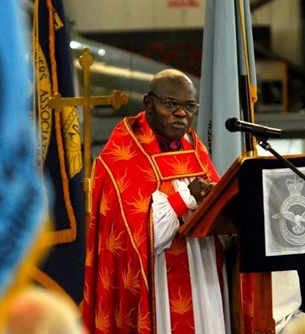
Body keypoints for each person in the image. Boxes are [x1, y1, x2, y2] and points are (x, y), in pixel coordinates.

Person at [83, 69, 231, 333]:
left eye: (189, 106)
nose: (181, 113)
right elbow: (138, 239)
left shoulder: (195, 149)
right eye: (171, 104)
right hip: (158, 283)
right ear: (148, 104)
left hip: (205, 276)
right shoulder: (122, 154)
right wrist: (188, 197)